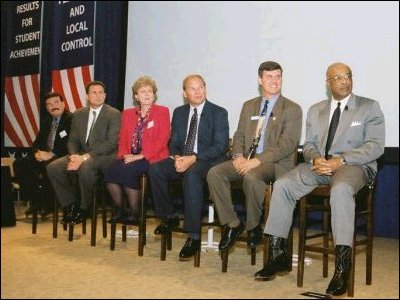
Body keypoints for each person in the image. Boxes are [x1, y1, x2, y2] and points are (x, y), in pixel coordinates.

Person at [254, 62, 385, 296]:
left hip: (354, 166)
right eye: (338, 77)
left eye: (348, 76)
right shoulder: (316, 110)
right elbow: (311, 144)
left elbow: (375, 147)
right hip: (320, 166)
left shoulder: (368, 107)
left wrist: (340, 160)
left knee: (341, 189)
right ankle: (279, 254)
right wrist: (315, 160)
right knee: (283, 184)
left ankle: (342, 269)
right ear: (328, 82)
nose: (344, 81)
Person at [207, 61, 302, 252]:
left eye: (278, 76)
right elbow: (240, 134)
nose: (274, 81)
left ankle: (253, 227)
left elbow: (287, 144)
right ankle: (233, 224)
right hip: (247, 158)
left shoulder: (292, 108)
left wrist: (256, 161)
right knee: (215, 173)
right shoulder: (249, 105)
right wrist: (238, 156)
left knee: (252, 176)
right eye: (269, 77)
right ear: (260, 80)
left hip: (275, 164)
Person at [148, 74, 229, 261]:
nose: (198, 91)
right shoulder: (180, 112)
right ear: (185, 93)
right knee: (156, 169)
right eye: (192, 88)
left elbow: (220, 146)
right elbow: (174, 142)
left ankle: (193, 236)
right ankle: (169, 215)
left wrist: (193, 158)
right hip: (183, 157)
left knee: (192, 175)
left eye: (201, 87)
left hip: (208, 161)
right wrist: (177, 157)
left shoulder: (219, 112)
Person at [47, 81, 121, 225]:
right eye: (94, 92)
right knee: (53, 167)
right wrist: (74, 156)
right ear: (87, 96)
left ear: (105, 95)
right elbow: (72, 140)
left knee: (86, 166)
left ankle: (84, 208)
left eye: (101, 93)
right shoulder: (79, 114)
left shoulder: (113, 114)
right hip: (80, 154)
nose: (98, 96)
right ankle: (70, 205)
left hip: (105, 156)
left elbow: (112, 142)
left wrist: (85, 157)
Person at [103, 76, 170, 225]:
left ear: (154, 94)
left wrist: (140, 155)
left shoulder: (162, 111)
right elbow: (123, 138)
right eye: (143, 91)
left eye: (150, 91)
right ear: (136, 96)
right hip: (130, 155)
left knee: (128, 171)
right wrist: (123, 156)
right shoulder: (127, 113)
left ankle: (135, 212)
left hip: (152, 157)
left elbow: (163, 140)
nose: (147, 94)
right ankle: (120, 210)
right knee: (109, 170)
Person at [13, 92, 72, 219]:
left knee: (49, 165)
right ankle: (37, 200)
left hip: (63, 157)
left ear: (63, 103)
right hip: (44, 156)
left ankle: (47, 204)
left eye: (56, 102)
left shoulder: (72, 119)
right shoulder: (46, 122)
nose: (53, 106)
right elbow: (37, 143)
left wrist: (51, 153)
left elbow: (72, 144)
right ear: (46, 108)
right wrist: (36, 153)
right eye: (49, 104)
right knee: (20, 163)